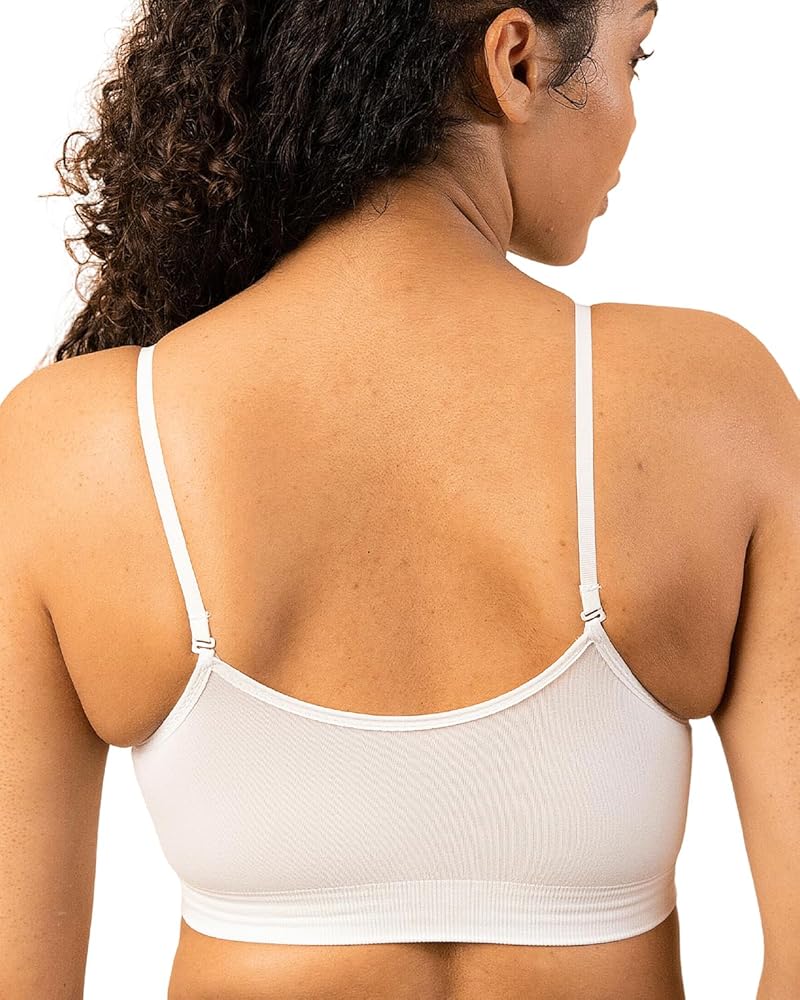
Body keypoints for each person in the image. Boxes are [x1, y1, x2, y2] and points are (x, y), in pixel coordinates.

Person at [0, 0, 797, 998]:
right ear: (514, 60)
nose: (632, 115)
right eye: (634, 57)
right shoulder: (711, 407)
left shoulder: (78, 446)